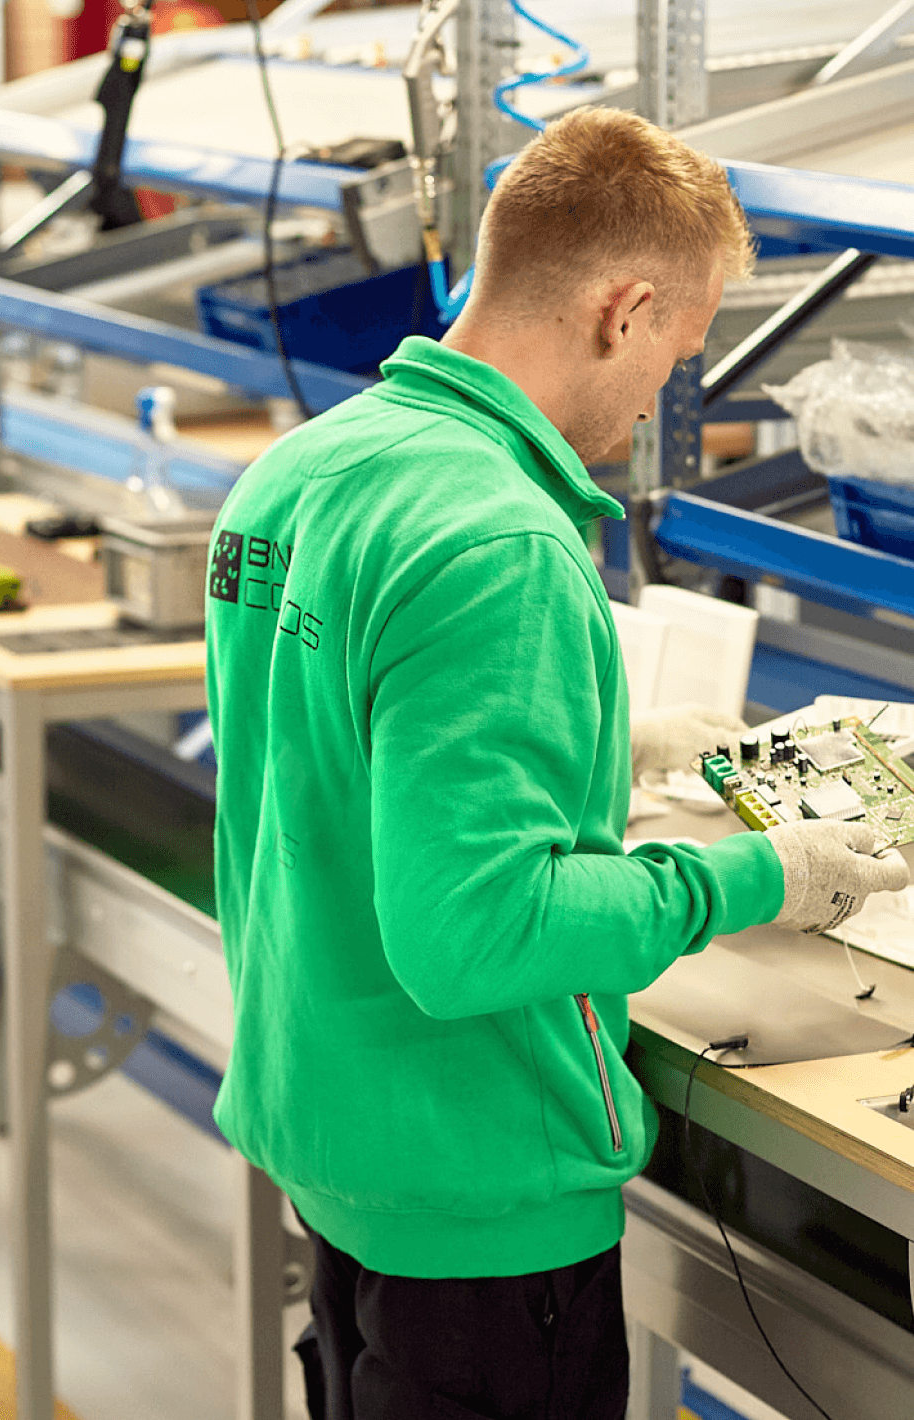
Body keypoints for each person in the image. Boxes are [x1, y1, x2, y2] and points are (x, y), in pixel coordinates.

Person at [204, 106, 910, 1420]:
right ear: (623, 310)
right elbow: (475, 933)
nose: (655, 404)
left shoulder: (303, 472)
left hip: (337, 1131)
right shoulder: (499, 542)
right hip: (477, 1195)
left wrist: (606, 743)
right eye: (675, 359)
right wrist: (761, 875)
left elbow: (335, 746)